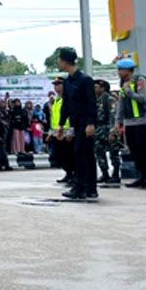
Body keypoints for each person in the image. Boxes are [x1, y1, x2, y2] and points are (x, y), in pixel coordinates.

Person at [58, 47, 98, 201]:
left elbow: (91, 103)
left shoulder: (85, 80)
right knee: (83, 154)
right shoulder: (68, 81)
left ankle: (82, 187)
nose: (59, 62)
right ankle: (88, 188)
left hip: (85, 123)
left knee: (84, 154)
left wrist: (91, 123)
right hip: (75, 123)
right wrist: (61, 124)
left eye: (60, 59)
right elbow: (66, 104)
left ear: (65, 61)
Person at [115, 57, 146, 188]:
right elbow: (121, 105)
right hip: (129, 123)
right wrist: (118, 122)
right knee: (134, 152)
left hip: (143, 122)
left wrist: (129, 91)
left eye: (120, 70)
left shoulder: (140, 81)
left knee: (145, 151)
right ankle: (141, 176)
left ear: (127, 70)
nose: (118, 72)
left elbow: (142, 98)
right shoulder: (123, 84)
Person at [93, 80, 121, 187]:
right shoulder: (95, 100)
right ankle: (104, 173)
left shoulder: (110, 100)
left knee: (114, 152)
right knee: (99, 152)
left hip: (108, 128)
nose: (94, 89)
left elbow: (113, 116)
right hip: (98, 129)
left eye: (96, 87)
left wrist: (112, 131)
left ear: (103, 88)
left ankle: (115, 174)